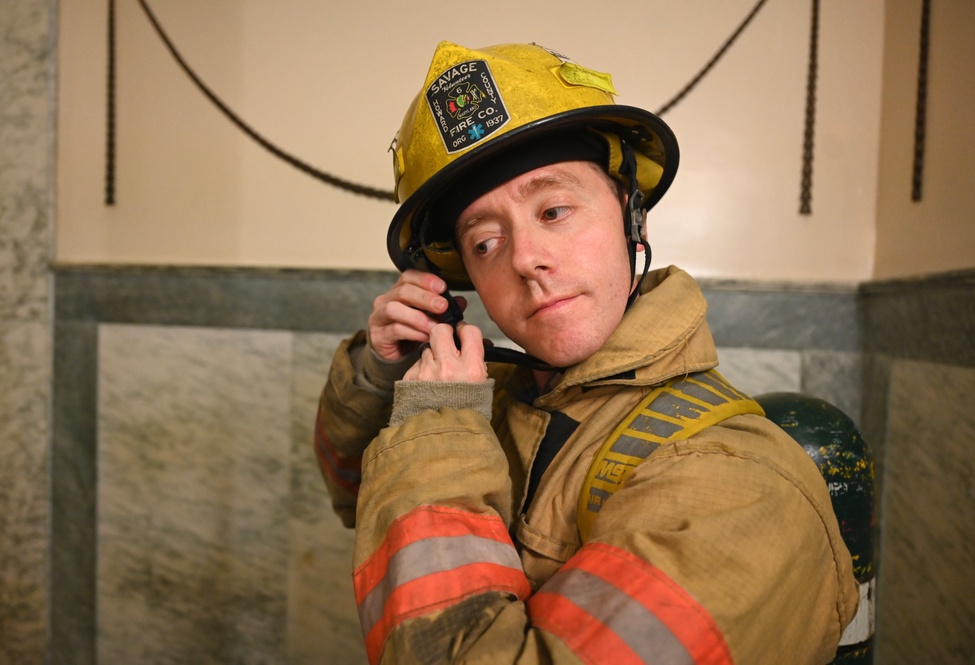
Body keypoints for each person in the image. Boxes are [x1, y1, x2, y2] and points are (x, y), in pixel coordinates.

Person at [314, 41, 858, 664]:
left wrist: (436, 424)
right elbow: (357, 496)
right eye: (486, 244)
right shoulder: (479, 396)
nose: (524, 258)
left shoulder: (740, 486)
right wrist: (384, 376)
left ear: (634, 219)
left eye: (555, 210)